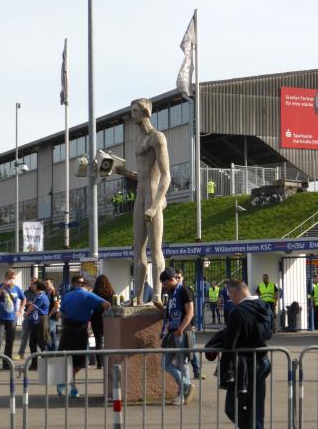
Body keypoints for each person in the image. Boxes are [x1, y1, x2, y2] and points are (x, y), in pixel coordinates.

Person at [129, 98, 171, 304]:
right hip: (140, 195)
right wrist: (123, 171)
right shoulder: (138, 141)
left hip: (153, 196)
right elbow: (143, 173)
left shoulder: (157, 137)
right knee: (137, 248)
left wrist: (155, 205)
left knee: (155, 248)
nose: (132, 114)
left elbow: (166, 175)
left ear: (145, 111)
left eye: (135, 110)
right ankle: (137, 296)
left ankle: (157, 294)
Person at [221, 279, 273, 429]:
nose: (230, 298)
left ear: (234, 292)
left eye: (230, 295)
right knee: (256, 408)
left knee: (231, 407)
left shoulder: (238, 311)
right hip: (262, 361)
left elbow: (230, 343)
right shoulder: (265, 306)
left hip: (243, 364)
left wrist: (225, 370)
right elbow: (269, 333)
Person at [58, 275, 110, 397]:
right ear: (86, 286)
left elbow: (60, 314)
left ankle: (69, 385)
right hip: (80, 329)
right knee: (80, 361)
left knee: (67, 358)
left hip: (67, 329)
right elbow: (107, 304)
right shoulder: (88, 295)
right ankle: (68, 383)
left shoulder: (66, 295)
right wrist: (104, 317)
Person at [157, 267, 195, 405]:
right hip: (173, 332)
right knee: (165, 364)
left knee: (182, 363)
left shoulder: (184, 290)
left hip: (182, 332)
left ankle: (183, 393)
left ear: (172, 279)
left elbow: (190, 312)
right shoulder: (172, 292)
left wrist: (181, 329)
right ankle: (186, 386)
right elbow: (171, 312)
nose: (163, 286)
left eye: (165, 283)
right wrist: (162, 309)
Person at [0, 269, 26, 371]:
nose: (11, 280)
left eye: (12, 278)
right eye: (9, 278)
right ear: (5, 278)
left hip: (12, 319)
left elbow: (24, 298)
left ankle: (6, 364)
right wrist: (3, 287)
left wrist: (20, 310)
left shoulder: (17, 289)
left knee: (10, 342)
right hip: (1, 318)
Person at [25, 280, 50, 370]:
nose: (32, 286)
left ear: (38, 286)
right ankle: (34, 364)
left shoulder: (41, 296)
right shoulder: (38, 296)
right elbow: (34, 305)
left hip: (41, 320)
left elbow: (33, 307)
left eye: (34, 285)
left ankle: (46, 363)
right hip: (36, 321)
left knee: (42, 342)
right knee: (32, 343)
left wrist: (26, 313)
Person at [92, 274, 115, 369]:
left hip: (95, 318)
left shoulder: (94, 293)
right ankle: (109, 361)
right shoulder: (110, 293)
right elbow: (112, 306)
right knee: (108, 341)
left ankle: (99, 363)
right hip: (107, 318)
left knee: (98, 341)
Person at [16, 277, 37, 360]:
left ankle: (36, 355)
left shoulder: (39, 293)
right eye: (31, 283)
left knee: (35, 338)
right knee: (24, 336)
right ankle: (21, 354)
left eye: (34, 283)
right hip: (27, 316)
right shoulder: (26, 292)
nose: (32, 285)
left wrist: (31, 303)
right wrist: (27, 303)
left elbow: (38, 304)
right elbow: (23, 302)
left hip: (36, 317)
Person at [44, 278, 60, 351]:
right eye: (45, 283)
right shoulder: (47, 292)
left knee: (49, 334)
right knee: (52, 334)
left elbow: (56, 306)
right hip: (48, 317)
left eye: (47, 283)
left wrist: (49, 315)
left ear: (51, 284)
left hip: (52, 317)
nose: (46, 285)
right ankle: (53, 351)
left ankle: (51, 351)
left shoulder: (54, 293)